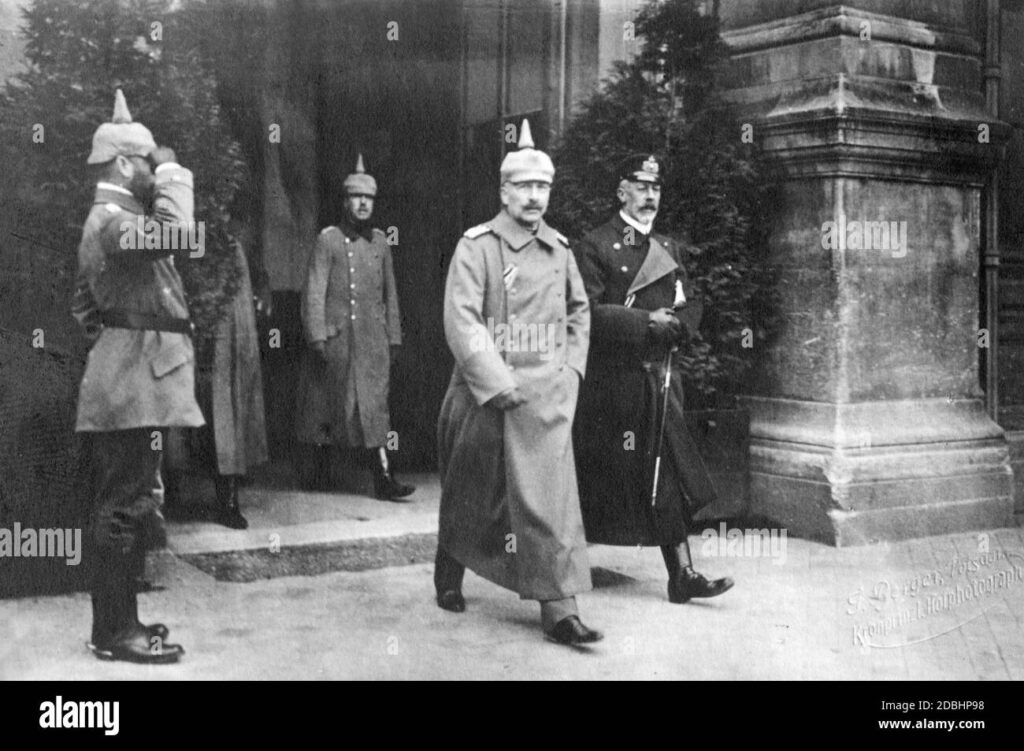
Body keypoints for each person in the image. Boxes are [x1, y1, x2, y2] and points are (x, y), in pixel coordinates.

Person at [434, 120, 601, 646]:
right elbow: (462, 319)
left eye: (543, 187)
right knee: (472, 492)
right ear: (504, 192)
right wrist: (494, 380)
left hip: (546, 399)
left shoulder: (561, 249)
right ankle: (449, 569)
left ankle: (560, 610)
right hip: (488, 395)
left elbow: (580, 314)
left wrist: (571, 371)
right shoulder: (477, 246)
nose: (534, 197)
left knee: (550, 502)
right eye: (524, 187)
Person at [71, 89, 200, 664]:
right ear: (124, 165)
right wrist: (176, 176)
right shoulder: (114, 221)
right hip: (130, 385)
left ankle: (122, 620)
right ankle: (112, 631)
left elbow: (83, 310)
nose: (153, 170)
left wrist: (116, 348)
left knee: (130, 498)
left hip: (129, 380)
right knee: (122, 504)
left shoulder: (111, 220)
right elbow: (178, 233)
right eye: (147, 161)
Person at [572, 154, 735, 604]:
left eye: (656, 188)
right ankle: (555, 565)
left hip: (661, 380)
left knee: (665, 472)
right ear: (621, 192)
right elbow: (583, 312)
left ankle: (681, 574)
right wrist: (646, 322)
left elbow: (692, 302)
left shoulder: (668, 248)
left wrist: (679, 326)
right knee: (596, 478)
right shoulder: (595, 245)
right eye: (640, 186)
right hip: (615, 384)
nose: (650, 196)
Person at [295, 154, 414, 500]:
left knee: (375, 408)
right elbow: (314, 290)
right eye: (356, 198)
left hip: (372, 341)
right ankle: (318, 473)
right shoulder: (328, 240)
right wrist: (316, 334)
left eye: (369, 199)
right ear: (345, 201)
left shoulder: (380, 241)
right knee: (326, 406)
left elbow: (390, 292)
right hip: (337, 340)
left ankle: (384, 478)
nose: (363, 204)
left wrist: (393, 335)